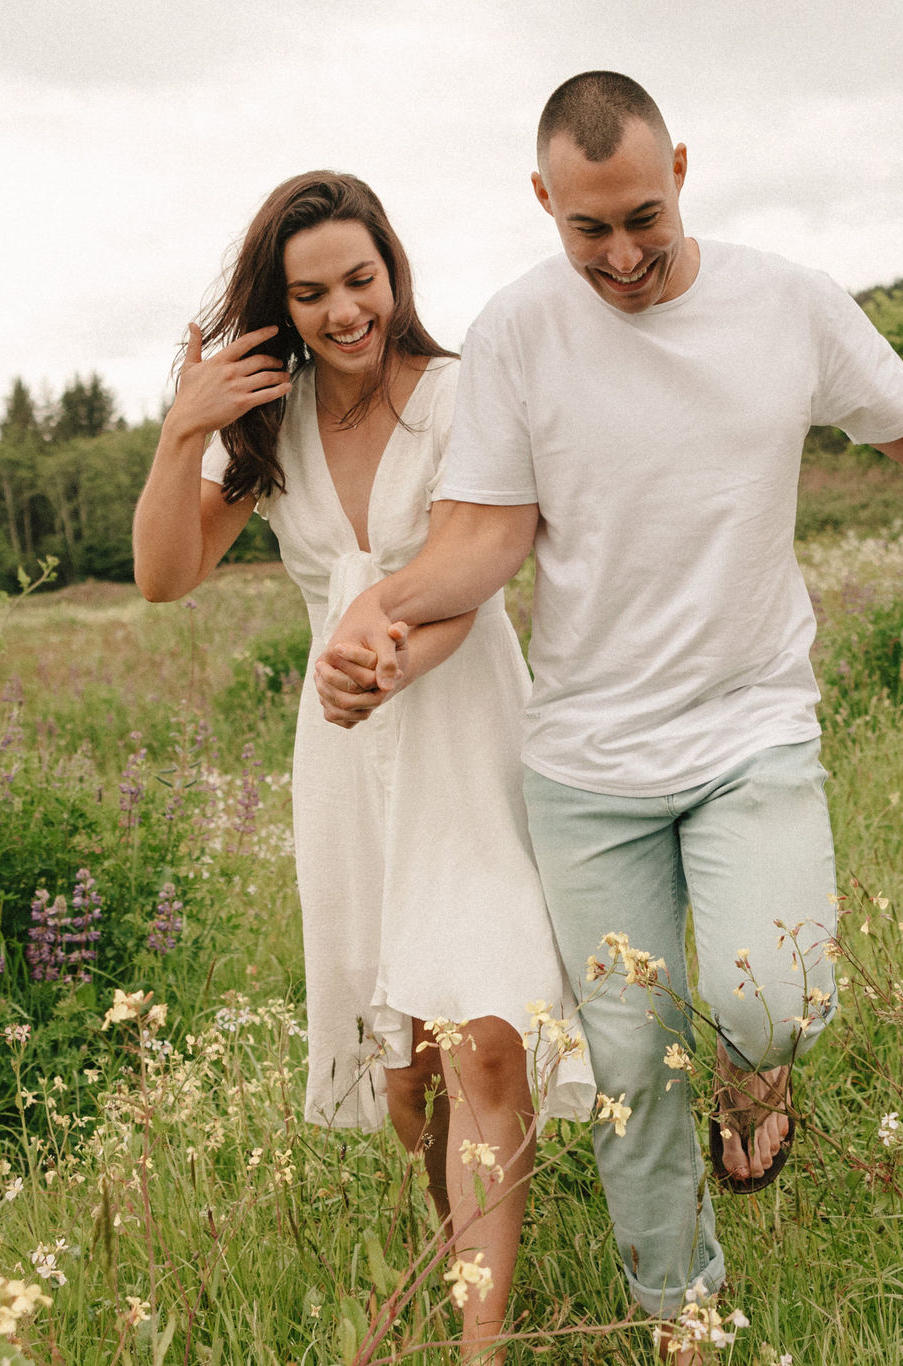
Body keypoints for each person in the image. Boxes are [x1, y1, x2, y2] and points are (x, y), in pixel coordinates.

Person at [315, 72, 903, 1357]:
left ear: (683, 172)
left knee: (771, 996)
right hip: (586, 764)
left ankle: (758, 1062)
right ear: (542, 202)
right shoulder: (517, 335)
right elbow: (483, 543)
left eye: (642, 216)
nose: (622, 253)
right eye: (587, 228)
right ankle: (681, 1307)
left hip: (749, 723)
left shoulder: (787, 303)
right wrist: (376, 618)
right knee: (630, 1068)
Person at [129, 170, 592, 1362]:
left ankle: (475, 1346)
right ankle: (467, 1266)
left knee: (485, 1034)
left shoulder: (452, 396)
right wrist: (184, 427)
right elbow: (164, 574)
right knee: (409, 1080)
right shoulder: (270, 427)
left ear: (393, 270)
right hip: (345, 756)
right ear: (279, 307)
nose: (345, 311)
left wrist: (386, 649)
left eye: (360, 279)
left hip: (465, 724)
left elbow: (479, 564)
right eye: (312, 292)